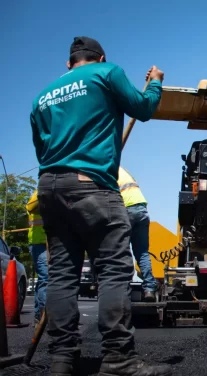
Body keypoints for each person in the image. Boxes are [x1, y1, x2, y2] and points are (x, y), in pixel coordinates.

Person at [30, 36, 171, 376]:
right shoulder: (106, 73)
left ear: (69, 64)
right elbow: (143, 108)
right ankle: (119, 359)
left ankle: (62, 360)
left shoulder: (41, 98)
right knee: (112, 271)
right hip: (91, 186)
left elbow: (41, 148)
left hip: (50, 186)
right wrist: (155, 84)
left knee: (63, 277)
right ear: (101, 57)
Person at [118, 166, 157, 302]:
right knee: (142, 252)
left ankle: (123, 289)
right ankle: (149, 289)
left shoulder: (107, 169)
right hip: (141, 210)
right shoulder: (125, 172)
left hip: (126, 209)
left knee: (121, 251)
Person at [26, 189, 48, 325]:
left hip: (51, 242)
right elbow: (31, 207)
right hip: (39, 243)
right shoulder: (39, 191)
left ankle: (38, 315)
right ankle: (45, 315)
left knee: (43, 280)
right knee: (46, 278)